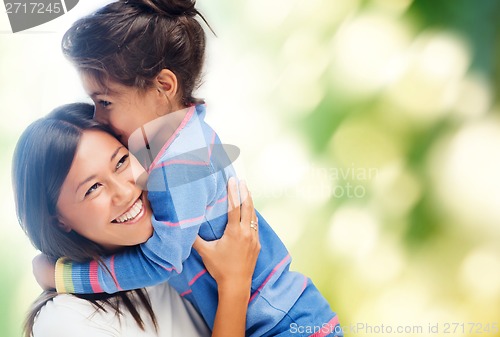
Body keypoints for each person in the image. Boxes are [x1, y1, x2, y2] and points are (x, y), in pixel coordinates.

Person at [35, 0, 342, 335]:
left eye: (104, 101)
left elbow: (159, 262)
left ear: (164, 87)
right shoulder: (185, 139)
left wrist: (64, 276)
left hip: (284, 324)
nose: (98, 117)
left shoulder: (178, 164)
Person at [13, 102, 261, 337]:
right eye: (93, 188)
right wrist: (234, 284)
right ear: (59, 222)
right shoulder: (64, 321)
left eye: (121, 162)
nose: (125, 192)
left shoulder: (175, 242)